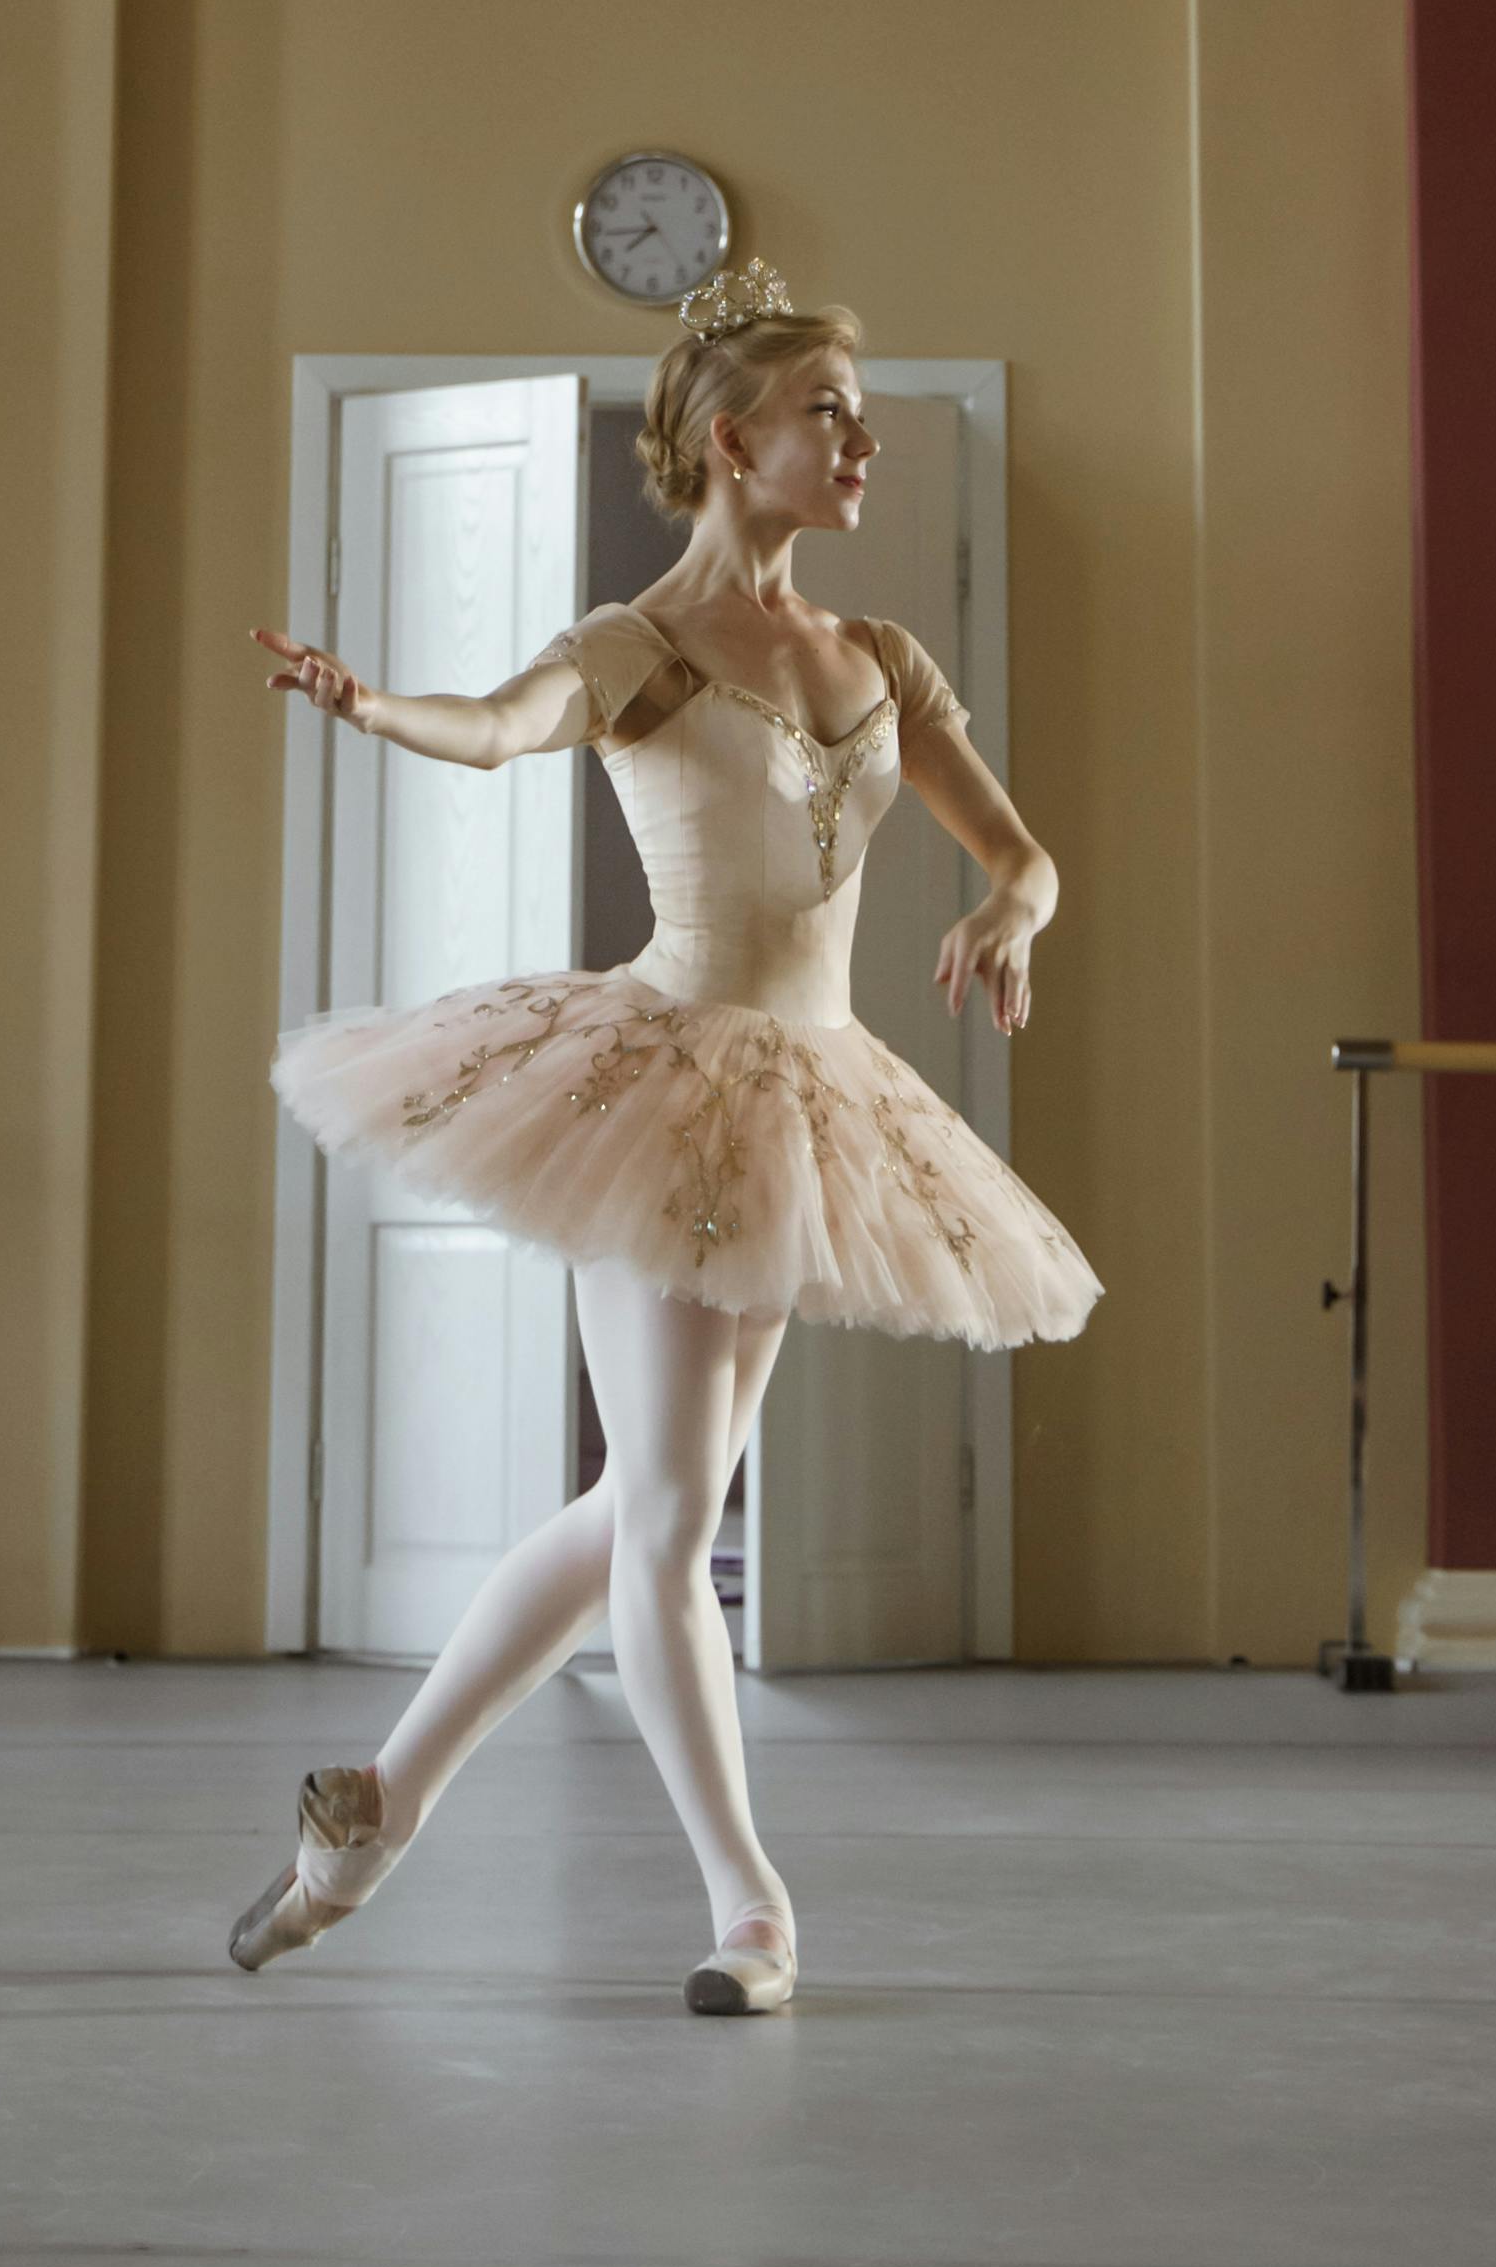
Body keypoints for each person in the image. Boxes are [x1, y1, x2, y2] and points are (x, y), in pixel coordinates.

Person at [237, 262, 1097, 2017]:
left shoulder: (880, 658)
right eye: (824, 414)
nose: (857, 442)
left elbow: (1023, 855)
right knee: (670, 1513)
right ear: (729, 441)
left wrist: (1012, 907)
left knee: (639, 1503)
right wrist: (373, 707)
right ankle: (750, 1907)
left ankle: (372, 1813)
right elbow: (498, 728)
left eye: (860, 415)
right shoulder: (637, 643)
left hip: (813, 1090)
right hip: (663, 1081)